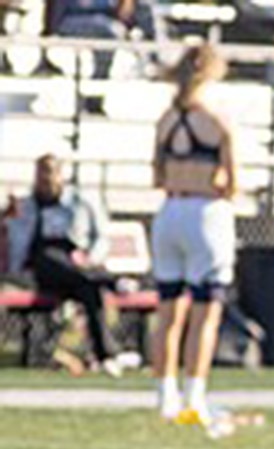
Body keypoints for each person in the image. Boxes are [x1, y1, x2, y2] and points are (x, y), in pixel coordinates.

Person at [149, 40, 237, 426]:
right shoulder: (216, 121)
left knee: (168, 311)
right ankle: (194, 397)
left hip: (169, 211)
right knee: (205, 311)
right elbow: (232, 181)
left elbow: (157, 175)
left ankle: (164, 396)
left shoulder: (166, 120)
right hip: (205, 212)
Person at [6, 153, 142, 374]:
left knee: (90, 292)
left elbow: (99, 238)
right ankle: (111, 282)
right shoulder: (27, 205)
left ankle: (106, 356)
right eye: (41, 174)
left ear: (60, 175)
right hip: (40, 268)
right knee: (51, 257)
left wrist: (89, 258)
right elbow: (18, 242)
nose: (45, 180)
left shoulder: (78, 202)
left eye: (50, 173)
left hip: (73, 266)